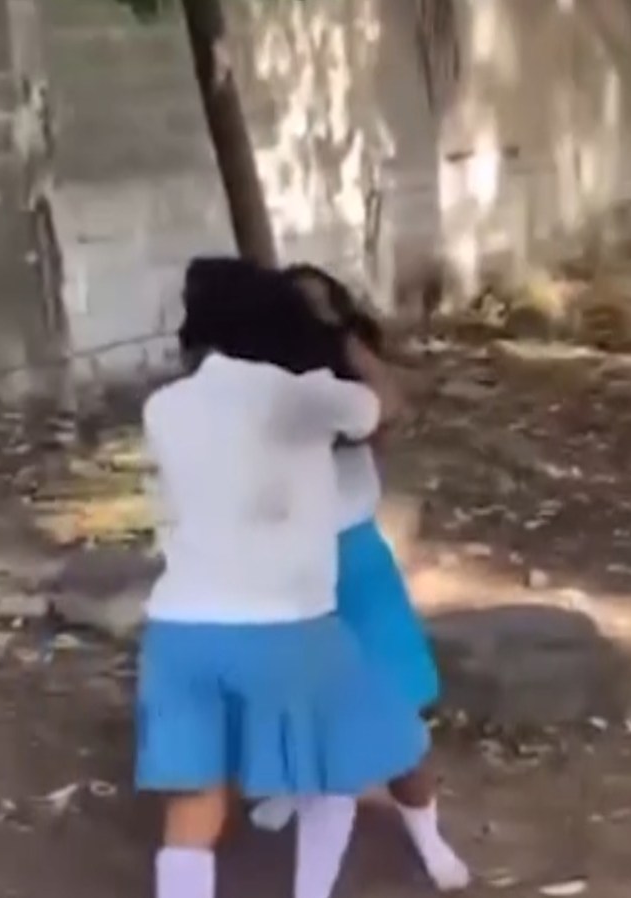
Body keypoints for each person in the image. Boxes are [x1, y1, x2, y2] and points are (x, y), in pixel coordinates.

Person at [137, 257, 429, 898]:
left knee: (194, 805)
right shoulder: (301, 398)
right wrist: (337, 332)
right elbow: (382, 407)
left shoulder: (164, 408)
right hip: (286, 626)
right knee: (334, 775)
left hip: (180, 630)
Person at [249, 264, 471, 892]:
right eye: (299, 313)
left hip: (355, 570)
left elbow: (388, 409)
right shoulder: (261, 392)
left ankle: (427, 836)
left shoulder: (350, 394)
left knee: (397, 722)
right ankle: (297, 791)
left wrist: (343, 342)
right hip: (288, 576)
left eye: (328, 311)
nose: (315, 325)